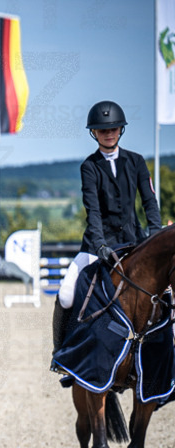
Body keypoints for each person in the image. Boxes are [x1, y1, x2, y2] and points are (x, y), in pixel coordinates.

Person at [52, 100, 162, 353]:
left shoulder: (136, 161)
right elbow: (92, 209)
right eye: (103, 130)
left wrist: (154, 233)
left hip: (134, 242)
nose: (109, 133)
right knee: (66, 294)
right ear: (94, 133)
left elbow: (149, 201)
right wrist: (99, 243)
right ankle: (62, 354)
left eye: (113, 128)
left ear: (121, 130)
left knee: (163, 291)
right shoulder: (89, 166)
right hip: (96, 245)